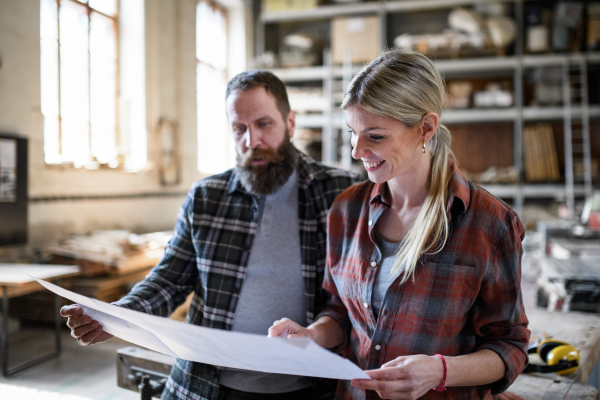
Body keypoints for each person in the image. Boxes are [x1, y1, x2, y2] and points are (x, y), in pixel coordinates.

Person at [61, 70, 361, 400]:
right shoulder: (207, 197)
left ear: (290, 123)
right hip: (209, 385)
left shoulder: (339, 191)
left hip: (308, 387)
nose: (252, 141)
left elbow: (352, 298)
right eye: (239, 129)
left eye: (264, 124)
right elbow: (169, 280)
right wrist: (116, 318)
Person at [269, 49, 530, 400]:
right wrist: (312, 336)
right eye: (352, 132)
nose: (356, 151)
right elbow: (341, 313)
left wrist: (439, 371)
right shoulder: (346, 210)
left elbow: (509, 346)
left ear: (426, 128)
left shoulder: (489, 223)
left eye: (375, 136)